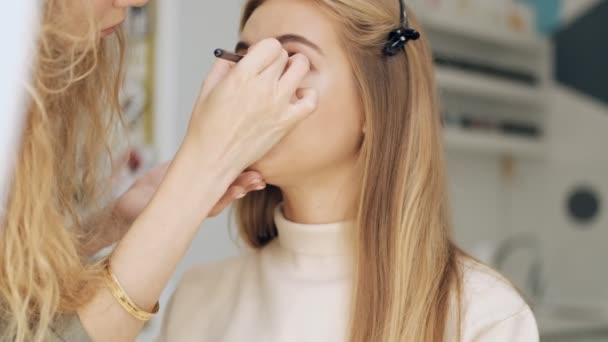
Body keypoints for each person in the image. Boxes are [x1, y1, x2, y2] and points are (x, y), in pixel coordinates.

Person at [158, 0, 539, 341]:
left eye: (290, 61)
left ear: (377, 103)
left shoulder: (483, 314)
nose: (250, 91)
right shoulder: (197, 297)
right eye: (243, 62)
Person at [0, 0, 317, 341]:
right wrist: (199, 170)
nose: (137, 1)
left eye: (293, 66)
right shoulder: (201, 298)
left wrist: (112, 224)